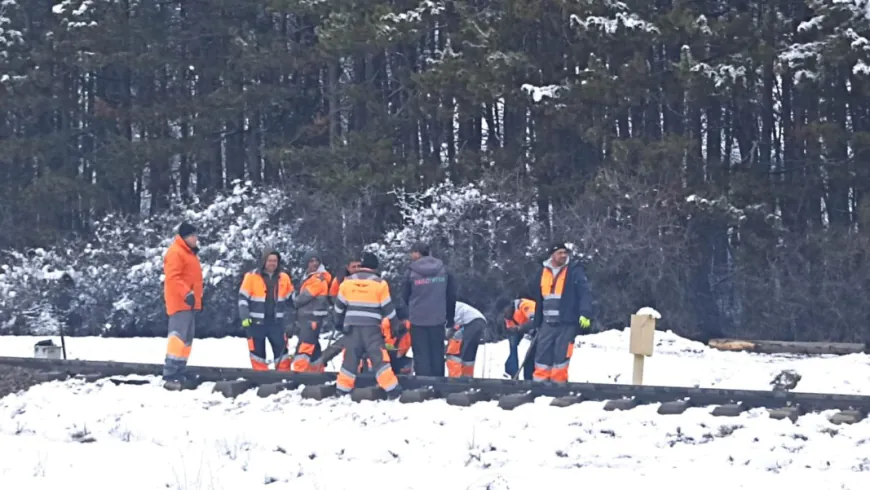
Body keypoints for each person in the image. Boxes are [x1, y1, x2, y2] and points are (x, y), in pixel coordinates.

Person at [333, 252, 402, 398]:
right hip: (371, 328)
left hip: (351, 327)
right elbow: (388, 308)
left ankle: (342, 389)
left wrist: (338, 323)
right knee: (378, 358)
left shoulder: (347, 282)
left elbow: (338, 307)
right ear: (375, 267)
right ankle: (392, 389)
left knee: (350, 358)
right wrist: (395, 324)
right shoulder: (380, 283)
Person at [531, 243, 593, 384]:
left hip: (567, 321)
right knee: (542, 355)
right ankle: (539, 384)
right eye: (560, 252)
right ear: (552, 255)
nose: (563, 255)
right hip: (546, 322)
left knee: (561, 355)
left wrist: (585, 313)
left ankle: (558, 385)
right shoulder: (542, 272)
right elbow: (538, 298)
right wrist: (537, 322)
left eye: (565, 252)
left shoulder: (574, 271)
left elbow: (585, 294)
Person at [402, 242, 456, 377]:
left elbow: (404, 296)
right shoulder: (444, 270)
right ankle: (438, 385)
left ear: (417, 253)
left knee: (421, 354)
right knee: (437, 353)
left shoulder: (410, 272)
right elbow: (451, 296)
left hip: (417, 319)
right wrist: (450, 319)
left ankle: (423, 386)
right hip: (438, 319)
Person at [238, 248, 295, 371]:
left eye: (275, 261)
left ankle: (283, 376)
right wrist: (245, 318)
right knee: (257, 353)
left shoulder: (284, 277)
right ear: (264, 261)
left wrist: (293, 318)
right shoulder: (251, 277)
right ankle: (261, 378)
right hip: (256, 322)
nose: (272, 263)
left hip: (276, 322)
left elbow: (292, 300)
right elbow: (242, 299)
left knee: (282, 351)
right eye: (270, 260)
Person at [162, 222, 203, 388]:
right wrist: (187, 294)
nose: (195, 238)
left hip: (189, 303)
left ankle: (179, 371)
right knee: (178, 338)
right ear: (185, 237)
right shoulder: (176, 252)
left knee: (186, 340)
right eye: (193, 235)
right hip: (181, 302)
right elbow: (173, 278)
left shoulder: (187, 253)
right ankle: (171, 374)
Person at [291, 251, 333, 372]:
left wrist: (293, 297)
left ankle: (299, 372)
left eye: (316, 261)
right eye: (311, 261)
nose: (314, 263)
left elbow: (302, 298)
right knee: (314, 349)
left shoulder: (318, 279)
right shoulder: (310, 277)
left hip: (312, 318)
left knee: (305, 345)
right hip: (308, 318)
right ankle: (317, 371)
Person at [445, 301, 486, 378]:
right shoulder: (455, 305)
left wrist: (450, 333)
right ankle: (467, 379)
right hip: (480, 322)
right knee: (468, 354)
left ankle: (455, 379)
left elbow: (452, 326)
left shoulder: (447, 307)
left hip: (470, 323)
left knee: (454, 352)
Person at [503, 298, 536, 379]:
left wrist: (519, 328)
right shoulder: (509, 317)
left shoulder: (524, 305)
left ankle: (530, 379)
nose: (505, 314)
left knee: (531, 357)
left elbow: (534, 320)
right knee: (514, 351)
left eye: (505, 310)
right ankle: (512, 373)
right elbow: (512, 335)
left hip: (542, 330)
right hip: (529, 331)